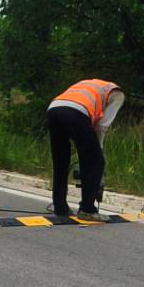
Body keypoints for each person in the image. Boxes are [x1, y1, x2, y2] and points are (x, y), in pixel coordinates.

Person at [46, 79, 125, 222]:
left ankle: (60, 207)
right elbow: (102, 126)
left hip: (53, 109)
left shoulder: (90, 84)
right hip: (76, 112)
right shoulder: (118, 94)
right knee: (96, 162)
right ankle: (87, 210)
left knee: (61, 161)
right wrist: (97, 151)